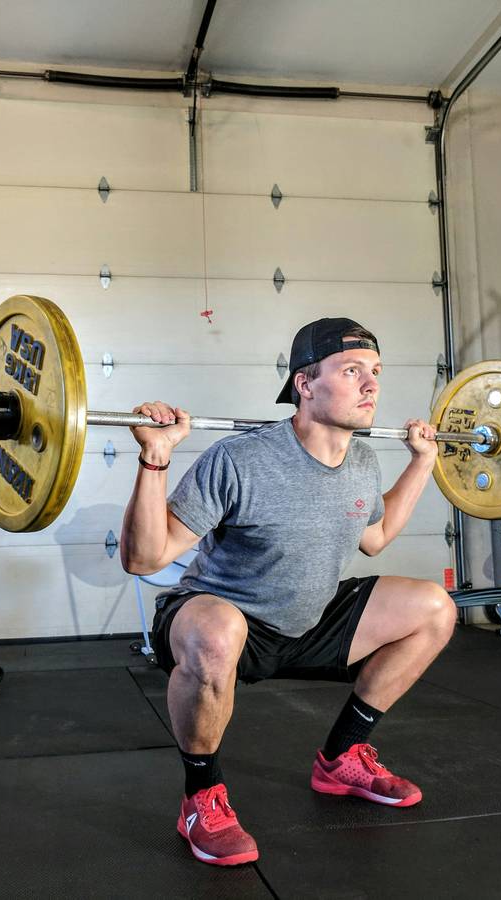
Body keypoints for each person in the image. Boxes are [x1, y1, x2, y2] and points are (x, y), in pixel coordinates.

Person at [120, 317, 457, 867]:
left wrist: (423, 463)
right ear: (305, 384)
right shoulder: (241, 459)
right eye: (352, 371)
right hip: (223, 620)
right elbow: (144, 558)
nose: (372, 385)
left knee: (434, 608)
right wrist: (155, 457)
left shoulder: (365, 462)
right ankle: (200, 797)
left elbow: (375, 537)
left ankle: (343, 756)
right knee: (217, 631)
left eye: (375, 372)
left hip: (307, 621)